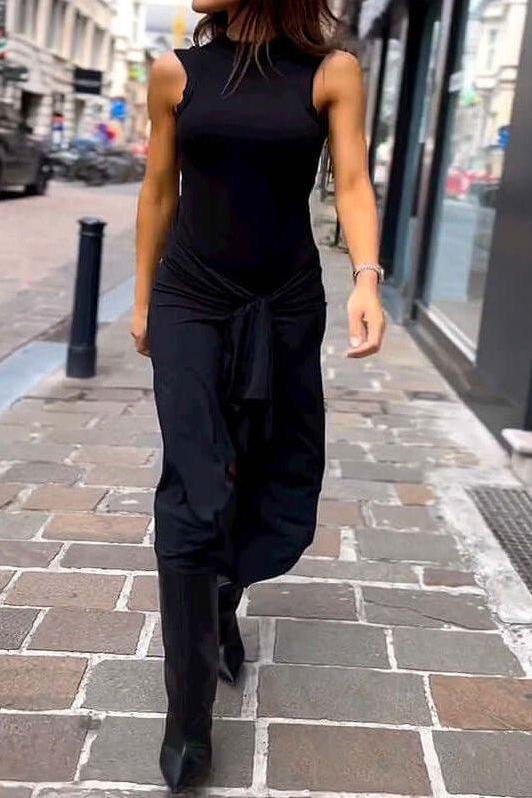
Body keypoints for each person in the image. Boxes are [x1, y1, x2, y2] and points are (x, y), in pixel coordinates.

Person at [132, 0, 385, 791]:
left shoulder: (332, 72)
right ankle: (188, 719)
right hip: (191, 299)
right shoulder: (176, 73)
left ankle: (219, 604)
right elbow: (158, 190)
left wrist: (366, 279)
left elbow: (352, 181)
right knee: (195, 488)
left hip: (284, 302)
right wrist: (142, 300)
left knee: (268, 471)